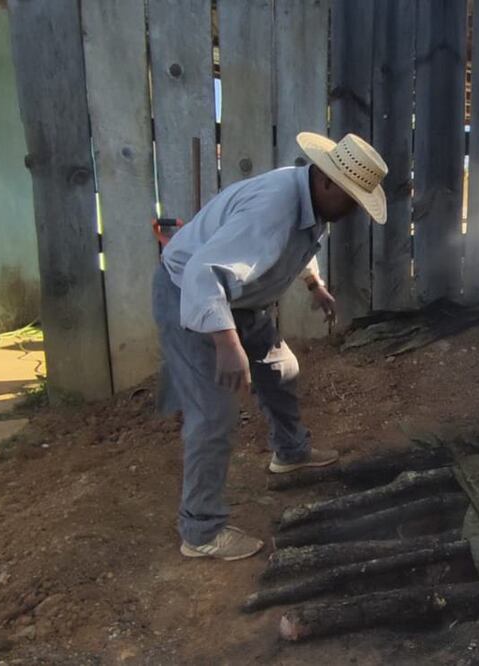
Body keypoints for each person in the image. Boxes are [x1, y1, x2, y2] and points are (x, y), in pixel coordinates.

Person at [153, 132, 388, 561]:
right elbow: (206, 274)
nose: (354, 209)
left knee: (281, 369)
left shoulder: (308, 201)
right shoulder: (274, 208)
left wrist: (314, 285)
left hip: (245, 302)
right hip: (190, 294)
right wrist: (226, 342)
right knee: (214, 413)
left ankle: (291, 452)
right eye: (352, 198)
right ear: (328, 182)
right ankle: (201, 531)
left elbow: (290, 247)